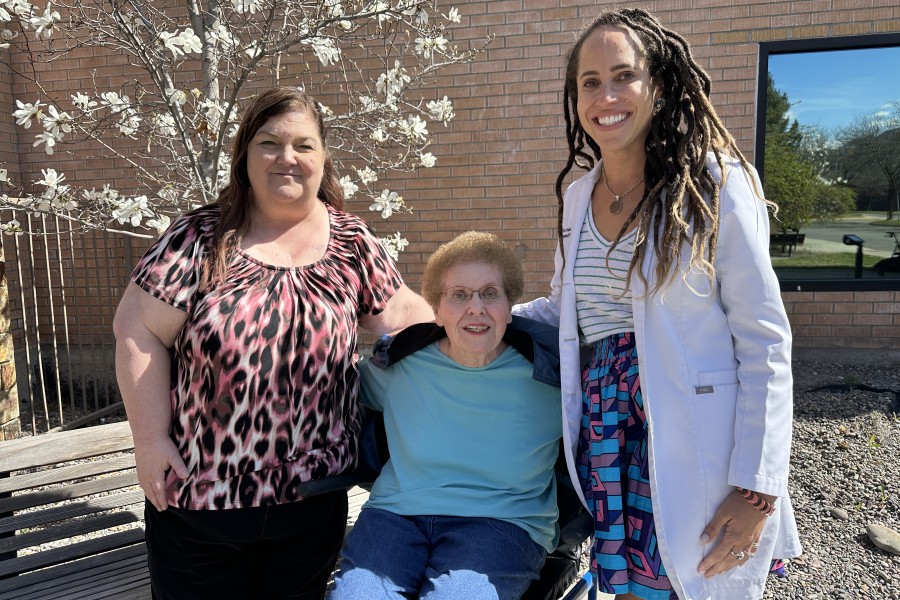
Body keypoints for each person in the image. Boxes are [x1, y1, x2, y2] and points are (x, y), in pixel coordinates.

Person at [513, 8, 801, 600]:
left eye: (624, 76)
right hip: (610, 440)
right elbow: (568, 309)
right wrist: (474, 315)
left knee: (701, 582)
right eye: (590, 82)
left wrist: (758, 490)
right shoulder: (577, 197)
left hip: (695, 439)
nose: (606, 96)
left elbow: (765, 339)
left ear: (659, 86)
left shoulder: (713, 185)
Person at [113, 86, 434, 600]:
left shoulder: (351, 241)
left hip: (312, 501)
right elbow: (137, 328)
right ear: (244, 155)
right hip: (199, 500)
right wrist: (150, 440)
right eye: (270, 143)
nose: (287, 158)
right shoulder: (198, 237)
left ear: (323, 159)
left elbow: (405, 316)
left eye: (304, 146)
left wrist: (482, 325)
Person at [327, 231, 563, 600]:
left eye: (489, 293)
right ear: (436, 310)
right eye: (459, 295)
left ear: (509, 304)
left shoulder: (551, 378)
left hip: (502, 523)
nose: (476, 307)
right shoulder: (401, 366)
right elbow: (327, 391)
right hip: (396, 515)